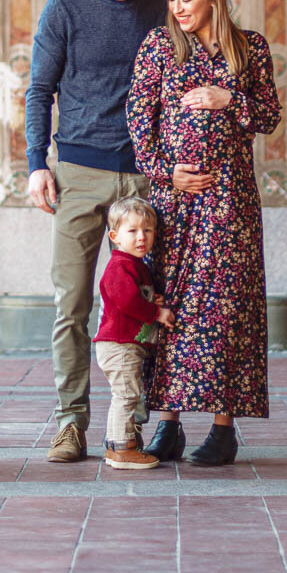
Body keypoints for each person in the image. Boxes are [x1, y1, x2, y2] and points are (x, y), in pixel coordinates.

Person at [127, 0, 281, 466]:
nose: (177, 7)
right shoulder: (159, 47)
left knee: (223, 309)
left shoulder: (250, 49)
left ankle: (223, 427)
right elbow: (138, 119)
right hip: (174, 203)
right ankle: (167, 424)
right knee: (169, 305)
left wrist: (226, 99)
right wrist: (163, 172)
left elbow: (269, 116)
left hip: (229, 203)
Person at [26, 0, 167, 463]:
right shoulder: (64, 8)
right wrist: (38, 163)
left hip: (145, 171)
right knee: (73, 303)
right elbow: (39, 90)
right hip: (78, 173)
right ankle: (70, 423)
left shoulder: (161, 6)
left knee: (148, 300)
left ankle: (135, 424)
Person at [94, 196, 176, 470]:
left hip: (127, 345)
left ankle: (115, 445)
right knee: (127, 396)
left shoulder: (135, 265)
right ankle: (122, 449)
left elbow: (136, 297)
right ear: (115, 236)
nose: (142, 237)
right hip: (118, 345)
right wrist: (156, 313)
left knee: (125, 394)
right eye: (133, 231)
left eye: (148, 231)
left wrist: (152, 300)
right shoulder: (120, 266)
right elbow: (127, 301)